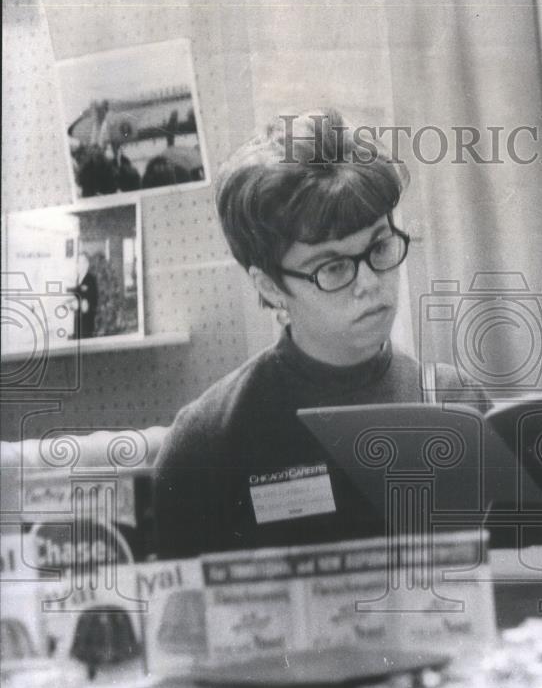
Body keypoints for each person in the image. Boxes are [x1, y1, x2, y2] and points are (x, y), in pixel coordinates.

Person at [153, 110, 486, 559]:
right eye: (333, 267)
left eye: (380, 246)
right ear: (270, 285)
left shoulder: (454, 400)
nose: (369, 283)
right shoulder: (205, 442)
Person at [68, 252, 98, 339]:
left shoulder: (90, 279)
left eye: (81, 262)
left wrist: (77, 304)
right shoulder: (78, 279)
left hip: (86, 323)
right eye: (78, 262)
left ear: (87, 264)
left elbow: (87, 306)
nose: (78, 265)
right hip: (78, 322)